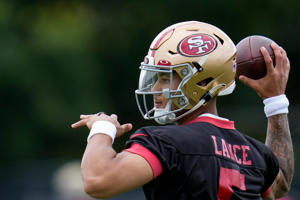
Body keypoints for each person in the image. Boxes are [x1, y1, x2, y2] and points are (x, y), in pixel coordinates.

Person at [71, 21, 294, 200]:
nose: (156, 89)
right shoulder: (254, 153)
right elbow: (280, 183)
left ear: (203, 81)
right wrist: (275, 101)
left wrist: (102, 129)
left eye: (165, 78)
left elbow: (98, 181)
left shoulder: (167, 143)